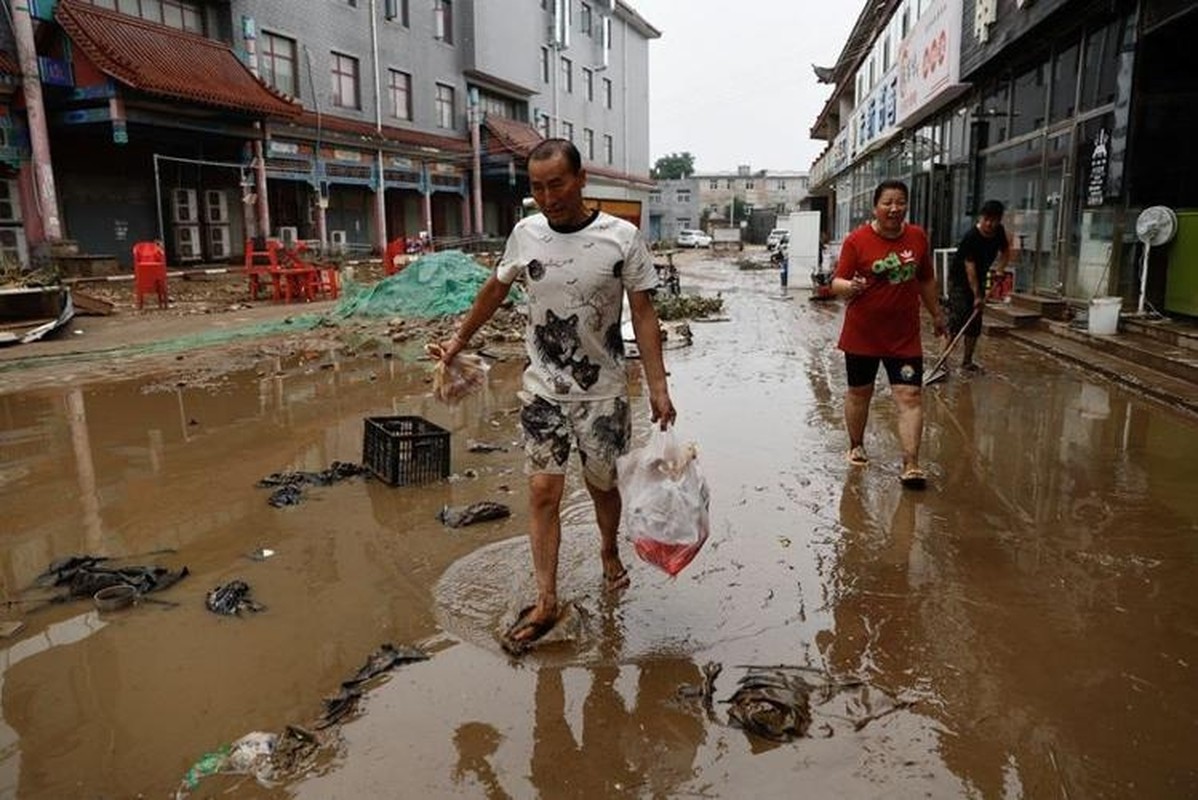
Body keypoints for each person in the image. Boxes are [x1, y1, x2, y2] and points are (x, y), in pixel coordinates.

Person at [436, 138, 676, 649]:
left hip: (604, 393)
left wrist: (658, 386)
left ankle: (609, 549)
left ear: (581, 179)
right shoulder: (526, 234)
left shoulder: (622, 237)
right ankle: (547, 597)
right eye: (538, 188)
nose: (548, 198)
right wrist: (459, 341)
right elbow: (495, 290)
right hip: (543, 389)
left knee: (602, 486)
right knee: (543, 491)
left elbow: (645, 314)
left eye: (557, 185)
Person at [831, 179, 946, 489]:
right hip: (862, 335)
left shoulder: (918, 237)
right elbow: (836, 282)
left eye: (900, 202)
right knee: (860, 393)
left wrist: (937, 315)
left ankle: (911, 464)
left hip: (903, 337)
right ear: (875, 207)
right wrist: (849, 287)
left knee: (910, 395)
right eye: (887, 203)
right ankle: (856, 445)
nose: (894, 208)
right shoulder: (857, 241)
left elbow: (925, 280)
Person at [948, 200, 1010, 371]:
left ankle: (967, 361)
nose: (989, 224)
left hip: (980, 278)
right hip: (960, 280)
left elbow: (1005, 251)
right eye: (986, 219)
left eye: (994, 220)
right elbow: (970, 267)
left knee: (975, 322)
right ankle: (943, 360)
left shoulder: (999, 232)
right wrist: (976, 295)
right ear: (981, 218)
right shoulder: (971, 237)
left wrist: (1000, 269)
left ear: (999, 220)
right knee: (958, 319)